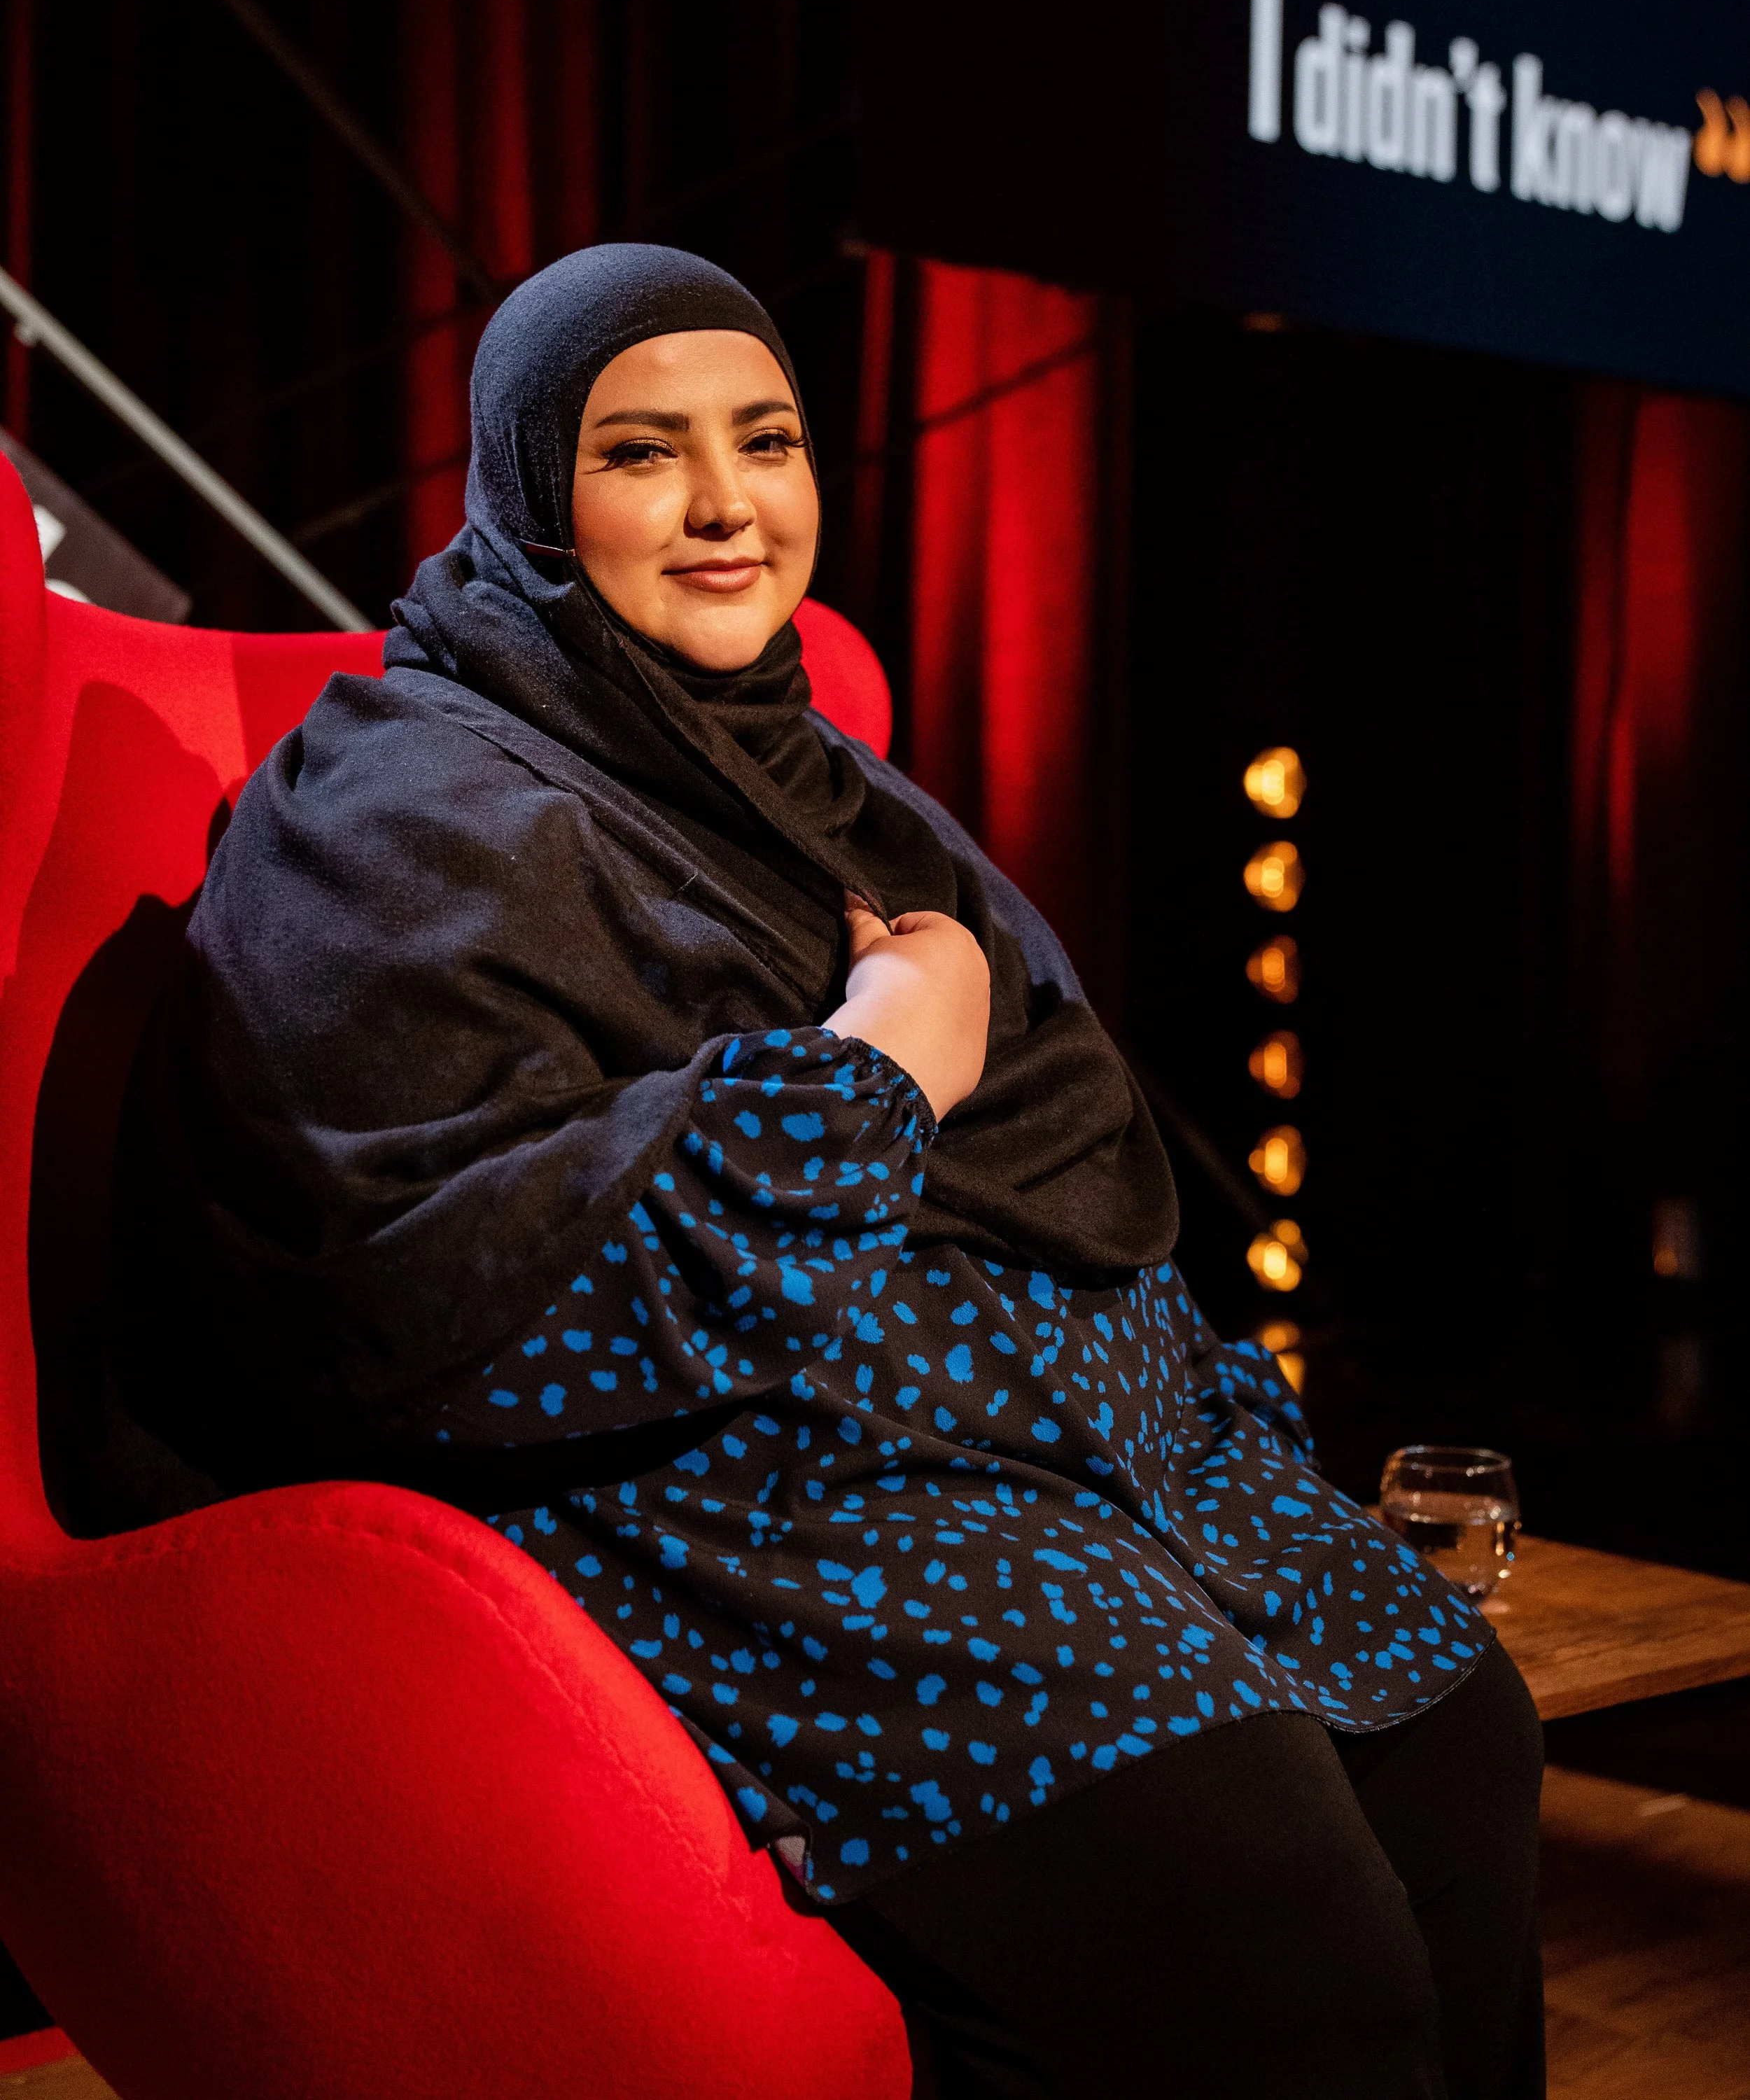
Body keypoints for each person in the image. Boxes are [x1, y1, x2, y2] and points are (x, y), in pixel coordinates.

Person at [112, 244, 1544, 2100]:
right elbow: (447, 1287)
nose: (724, 503)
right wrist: (881, 1065)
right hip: (719, 1475)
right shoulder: (399, 805)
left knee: (1452, 1716)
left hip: (1041, 1436)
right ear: (536, 490)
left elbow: (1067, 1161)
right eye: (642, 453)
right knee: (1278, 1929)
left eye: (764, 440)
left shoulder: (826, 785)